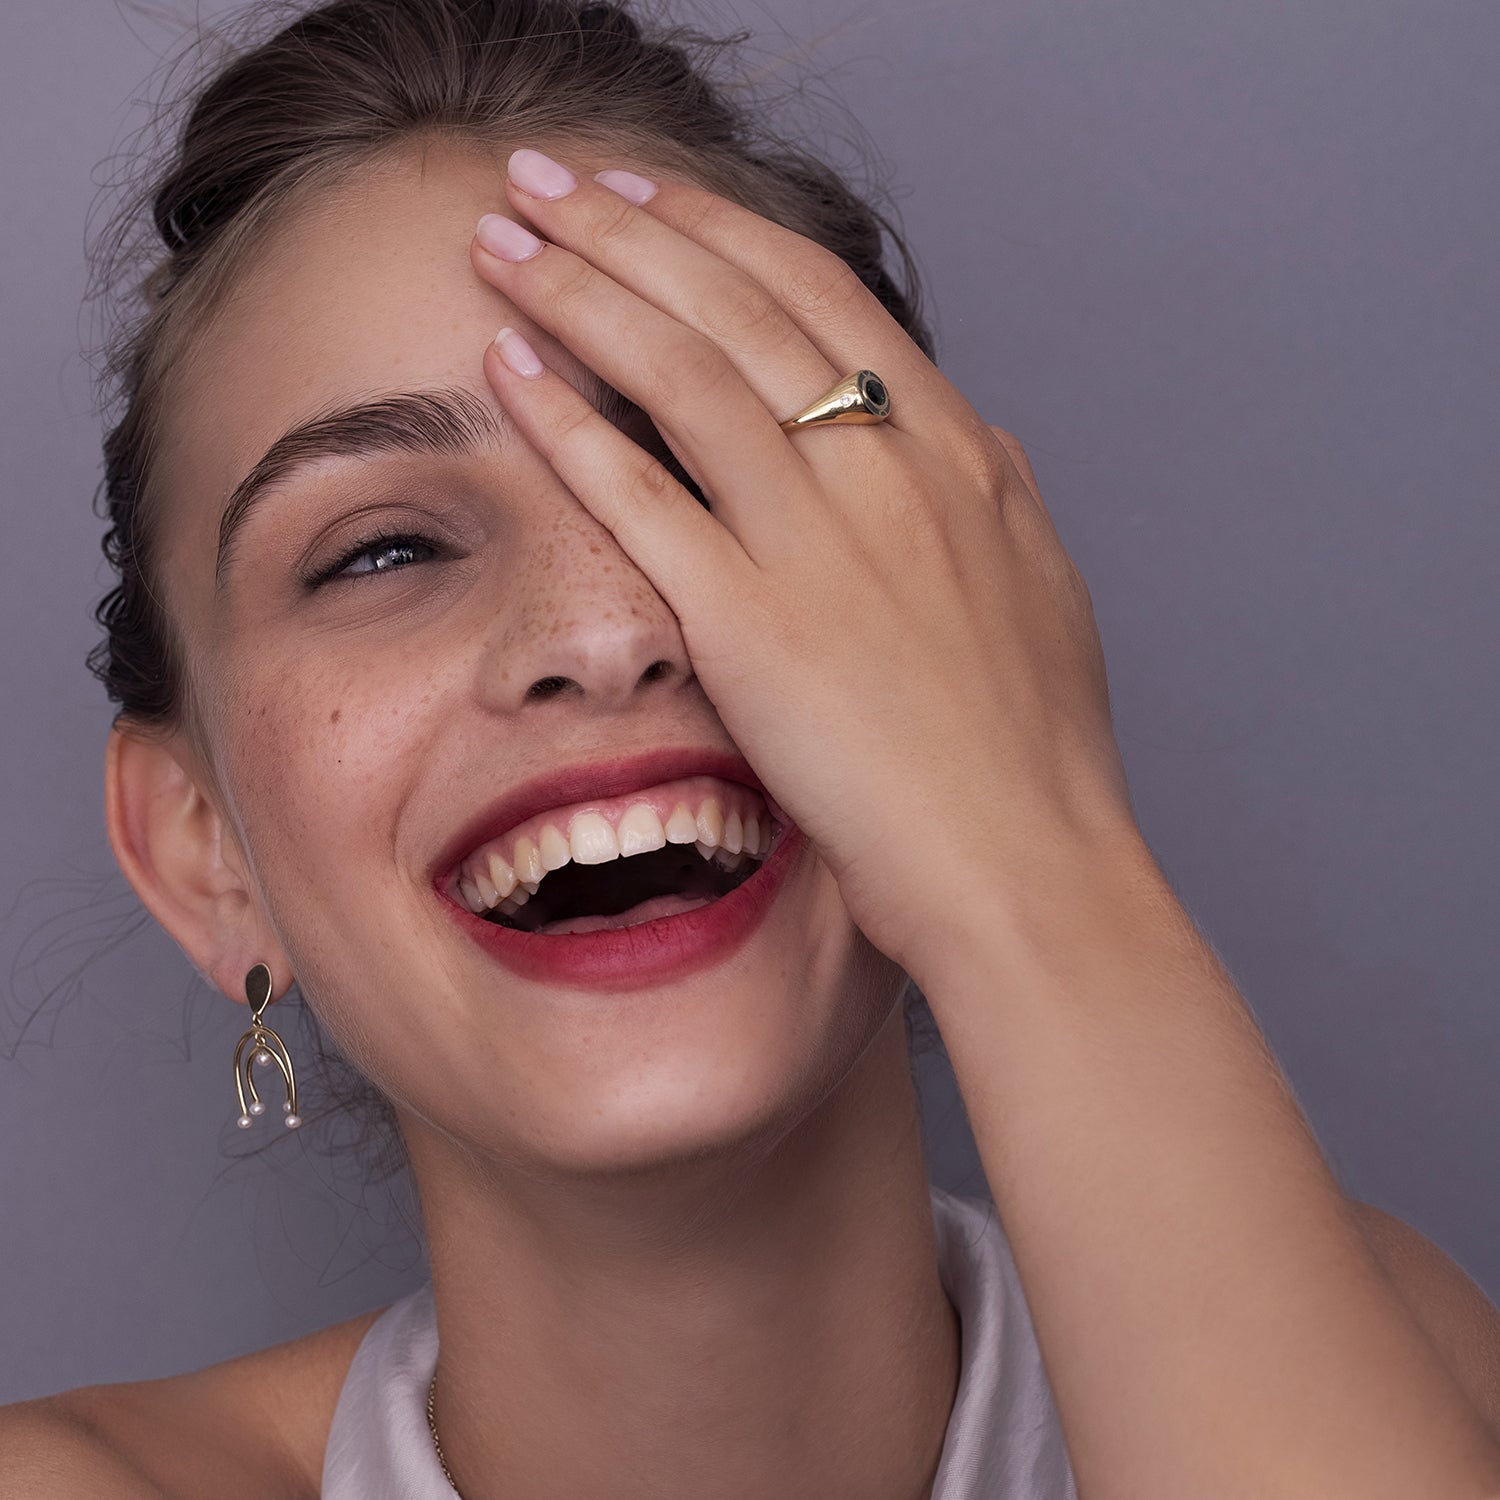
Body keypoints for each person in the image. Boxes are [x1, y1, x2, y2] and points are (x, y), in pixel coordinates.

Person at [5, 0, 1500, 1494]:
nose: (596, 631)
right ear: (205, 854)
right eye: (383, 551)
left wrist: (1035, 861)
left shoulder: (1395, 1361)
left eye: (693, 467)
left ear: (967, 617)